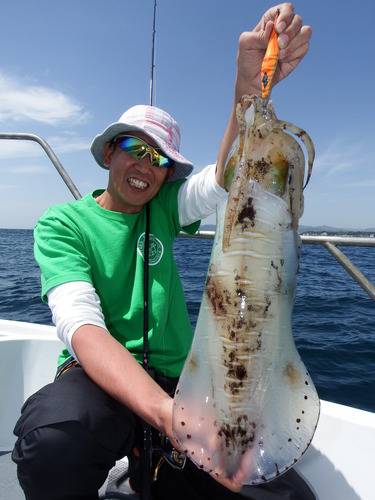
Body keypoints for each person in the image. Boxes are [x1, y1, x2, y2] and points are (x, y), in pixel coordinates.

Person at [12, 4, 313, 500]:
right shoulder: (62, 224)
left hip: (182, 384)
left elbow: (225, 177)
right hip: (99, 381)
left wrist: (247, 82)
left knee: (281, 494)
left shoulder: (167, 208)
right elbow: (81, 328)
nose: (146, 167)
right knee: (53, 443)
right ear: (110, 152)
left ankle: (161, 467)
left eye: (161, 162)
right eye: (136, 147)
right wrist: (167, 415)